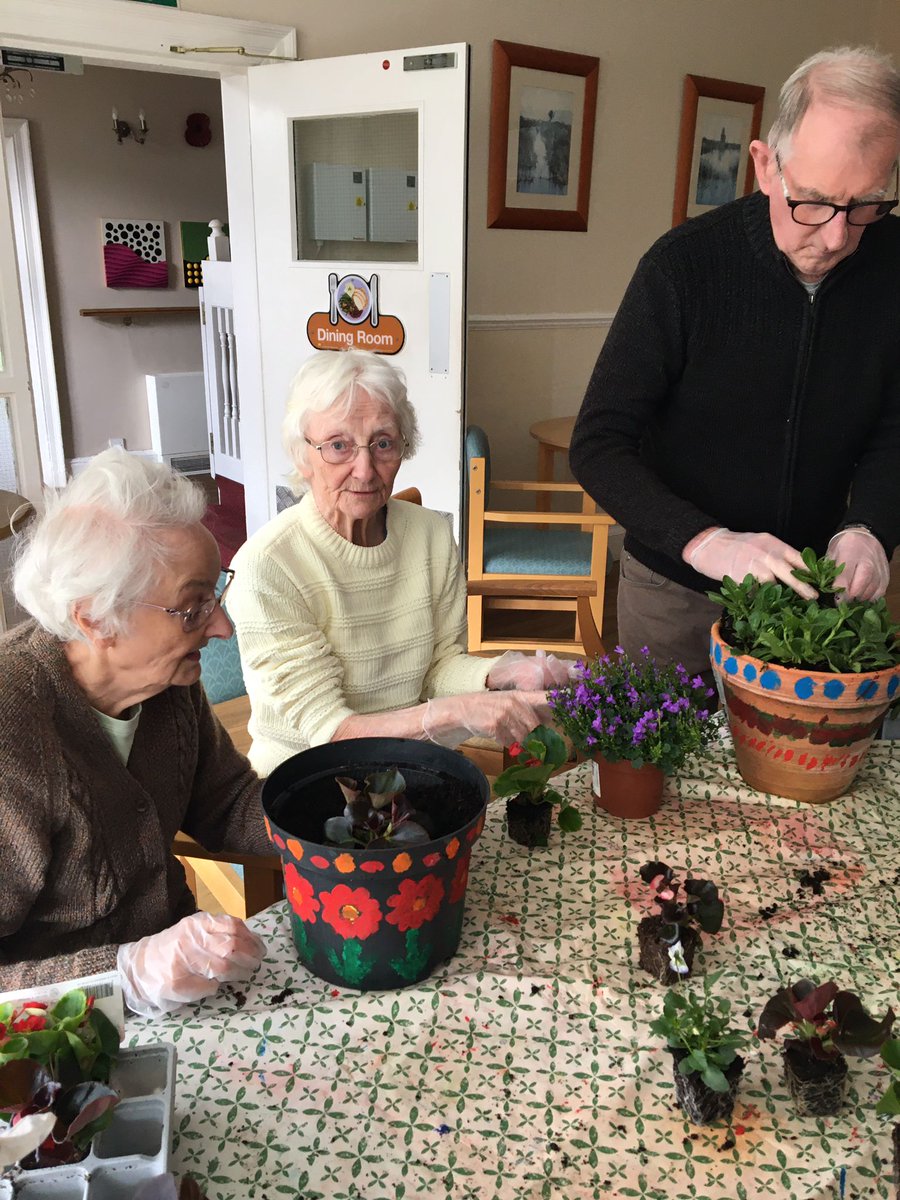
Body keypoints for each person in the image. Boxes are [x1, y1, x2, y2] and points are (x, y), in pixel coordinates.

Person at [569, 46, 900, 678]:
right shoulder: (682, 267)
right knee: (664, 770)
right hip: (676, 594)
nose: (835, 237)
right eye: (815, 201)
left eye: (865, 206)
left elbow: (895, 432)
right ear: (764, 165)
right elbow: (599, 444)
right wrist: (706, 542)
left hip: (816, 601)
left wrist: (871, 530)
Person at [0, 449, 268, 1013]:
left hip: (185, 998)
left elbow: (228, 804)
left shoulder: (166, 682)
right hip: (52, 1054)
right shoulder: (12, 731)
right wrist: (124, 975)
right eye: (192, 606)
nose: (222, 626)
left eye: (214, 593)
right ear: (96, 617)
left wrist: (341, 812)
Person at [228, 350, 567, 777]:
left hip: (410, 766)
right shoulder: (269, 566)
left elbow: (439, 669)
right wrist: (453, 713)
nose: (365, 470)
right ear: (302, 456)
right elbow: (331, 732)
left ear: (404, 446)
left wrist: (502, 672)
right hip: (308, 785)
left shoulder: (431, 534)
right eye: (338, 446)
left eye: (383, 443)